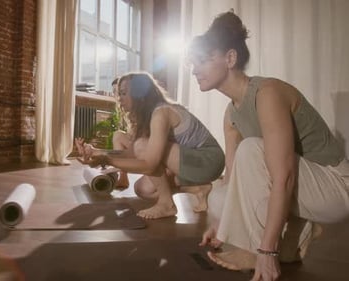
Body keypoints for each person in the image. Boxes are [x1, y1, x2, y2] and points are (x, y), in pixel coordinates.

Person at [188, 11, 349, 281]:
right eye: (192, 63)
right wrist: (220, 225)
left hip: (336, 187)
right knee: (218, 197)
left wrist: (266, 250)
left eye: (202, 60)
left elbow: (283, 177)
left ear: (230, 58)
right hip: (304, 186)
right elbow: (232, 178)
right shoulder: (231, 114)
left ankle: (259, 248)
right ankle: (298, 232)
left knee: (251, 150)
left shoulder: (267, 93)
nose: (194, 70)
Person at [75, 71, 225, 219]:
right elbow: (131, 154)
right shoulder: (149, 115)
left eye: (123, 93)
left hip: (209, 161)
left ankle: (167, 204)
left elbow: (149, 164)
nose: (119, 98)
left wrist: (106, 160)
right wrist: (97, 153)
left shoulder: (161, 113)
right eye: (118, 93)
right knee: (143, 189)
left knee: (141, 145)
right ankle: (199, 189)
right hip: (189, 162)